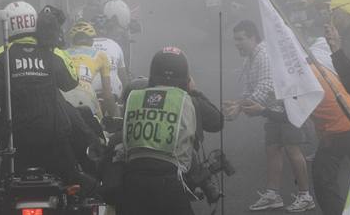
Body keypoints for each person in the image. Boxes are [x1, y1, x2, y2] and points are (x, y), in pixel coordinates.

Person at [0, 1, 80, 182]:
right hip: (53, 135)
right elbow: (71, 82)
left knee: (6, 186)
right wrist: (58, 44)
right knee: (73, 182)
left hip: (14, 139)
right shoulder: (52, 51)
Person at [225, 20, 315, 212]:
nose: (237, 43)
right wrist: (238, 103)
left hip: (289, 108)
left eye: (240, 39)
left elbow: (264, 87)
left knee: (292, 149)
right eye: (235, 39)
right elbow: (250, 87)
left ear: (253, 37)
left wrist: (239, 107)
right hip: (274, 110)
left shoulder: (263, 55)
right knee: (272, 148)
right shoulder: (250, 57)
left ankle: (305, 196)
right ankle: (273, 194)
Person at [121, 46, 222, 215]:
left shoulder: (136, 96)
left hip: (132, 181)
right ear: (186, 77)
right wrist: (194, 91)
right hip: (169, 183)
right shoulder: (188, 100)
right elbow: (217, 122)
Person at [308, 36, 350, 215]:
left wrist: (262, 110)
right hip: (346, 127)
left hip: (345, 129)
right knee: (324, 177)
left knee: (324, 179)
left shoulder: (311, 73)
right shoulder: (318, 68)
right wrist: (337, 50)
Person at [63, 21, 118, 118]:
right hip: (86, 96)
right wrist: (115, 117)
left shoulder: (62, 53)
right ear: (92, 41)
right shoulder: (101, 55)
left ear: (72, 40)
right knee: (99, 130)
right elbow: (107, 94)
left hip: (63, 97)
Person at [91, 15, 129, 101]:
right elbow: (123, 76)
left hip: (89, 94)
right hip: (114, 93)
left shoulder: (84, 47)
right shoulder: (115, 45)